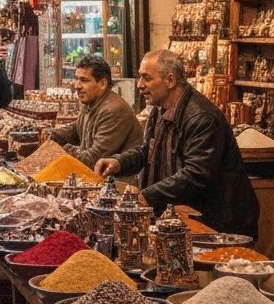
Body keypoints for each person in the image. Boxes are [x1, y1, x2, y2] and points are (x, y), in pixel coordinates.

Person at [96, 50, 259, 237]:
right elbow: (147, 151)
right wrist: (119, 162)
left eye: (146, 78)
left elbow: (195, 174)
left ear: (171, 81)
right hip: (187, 218)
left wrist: (144, 197)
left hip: (219, 224)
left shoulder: (201, 117)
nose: (140, 85)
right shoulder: (159, 110)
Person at [47, 55, 141, 172]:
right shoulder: (89, 103)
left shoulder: (113, 110)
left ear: (102, 84)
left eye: (84, 80)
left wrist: (59, 149)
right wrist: (49, 136)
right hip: (95, 180)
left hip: (117, 184)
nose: (77, 86)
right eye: (76, 79)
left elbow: (93, 160)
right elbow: (75, 130)